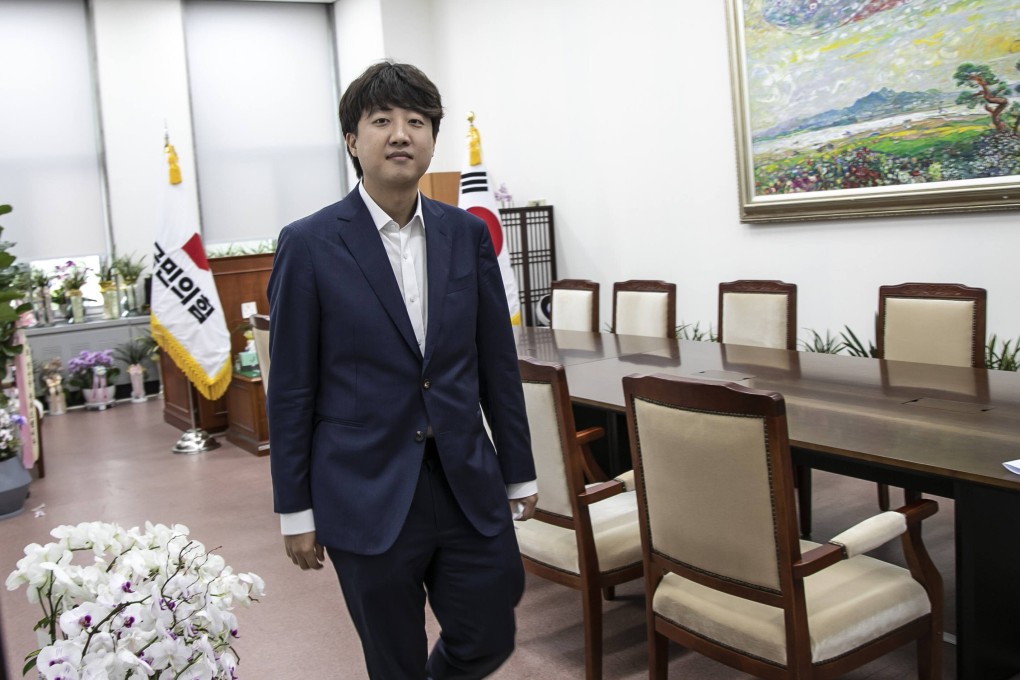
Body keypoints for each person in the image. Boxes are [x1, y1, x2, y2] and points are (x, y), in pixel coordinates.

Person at [265, 60, 538, 680]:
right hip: (365, 489)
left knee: (490, 627)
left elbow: (497, 362)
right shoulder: (308, 244)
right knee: (394, 660)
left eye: (416, 121)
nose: (400, 134)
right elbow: (291, 391)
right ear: (351, 141)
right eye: (381, 120)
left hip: (464, 478)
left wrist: (518, 471)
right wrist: (296, 509)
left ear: (432, 138)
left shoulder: (466, 234)